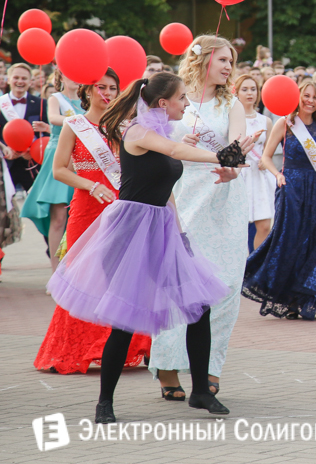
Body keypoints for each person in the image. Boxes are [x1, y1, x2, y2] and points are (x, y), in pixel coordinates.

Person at [47, 71, 257, 422]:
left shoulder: (159, 130)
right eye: (182, 99)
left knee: (199, 307)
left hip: (161, 226)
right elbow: (176, 150)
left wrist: (180, 232)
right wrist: (224, 155)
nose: (187, 104)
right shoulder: (136, 131)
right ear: (163, 103)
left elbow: (167, 188)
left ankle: (201, 391)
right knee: (125, 319)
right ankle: (104, 403)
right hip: (130, 231)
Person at [34, 69, 153, 375]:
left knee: (122, 276)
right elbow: (60, 169)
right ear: (87, 90)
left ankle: (119, 346)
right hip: (86, 206)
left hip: (120, 208)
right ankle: (73, 349)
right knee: (80, 276)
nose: (108, 93)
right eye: (101, 87)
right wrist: (90, 185)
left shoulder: (127, 126)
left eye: (113, 88)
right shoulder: (75, 124)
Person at [149, 36, 249, 400]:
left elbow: (236, 151)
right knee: (178, 286)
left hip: (224, 203)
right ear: (202, 59)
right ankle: (168, 365)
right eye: (223, 59)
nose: (228, 67)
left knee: (224, 288)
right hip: (182, 197)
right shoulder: (176, 99)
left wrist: (232, 170)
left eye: (231, 61)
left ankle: (208, 367)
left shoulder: (231, 104)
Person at [243, 80, 316, 319]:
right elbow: (266, 157)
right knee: (292, 241)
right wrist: (277, 175)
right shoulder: (285, 123)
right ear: (298, 97)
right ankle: (290, 299)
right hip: (291, 187)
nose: (309, 100)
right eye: (305, 96)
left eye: (314, 97)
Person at [22, 71, 84, 271]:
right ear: (61, 77)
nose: (75, 77)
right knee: (59, 217)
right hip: (59, 157)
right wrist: (83, 120)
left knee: (80, 216)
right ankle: (56, 271)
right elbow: (54, 118)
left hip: (83, 159)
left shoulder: (88, 99)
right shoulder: (56, 98)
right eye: (70, 72)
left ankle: (76, 269)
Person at [235, 74, 275, 251]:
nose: (249, 93)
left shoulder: (265, 120)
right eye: (245, 89)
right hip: (239, 175)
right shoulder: (231, 118)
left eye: (253, 89)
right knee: (239, 227)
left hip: (259, 176)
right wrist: (251, 139)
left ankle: (256, 268)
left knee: (264, 225)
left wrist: (266, 161)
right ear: (236, 92)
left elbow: (269, 150)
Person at [0, 63, 50, 194]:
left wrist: (33, 150)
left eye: (24, 78)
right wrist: (4, 148)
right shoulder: (1, 103)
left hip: (32, 165)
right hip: (5, 164)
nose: (20, 81)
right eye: (16, 78)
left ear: (30, 81)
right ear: (9, 79)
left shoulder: (42, 104)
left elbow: (47, 134)